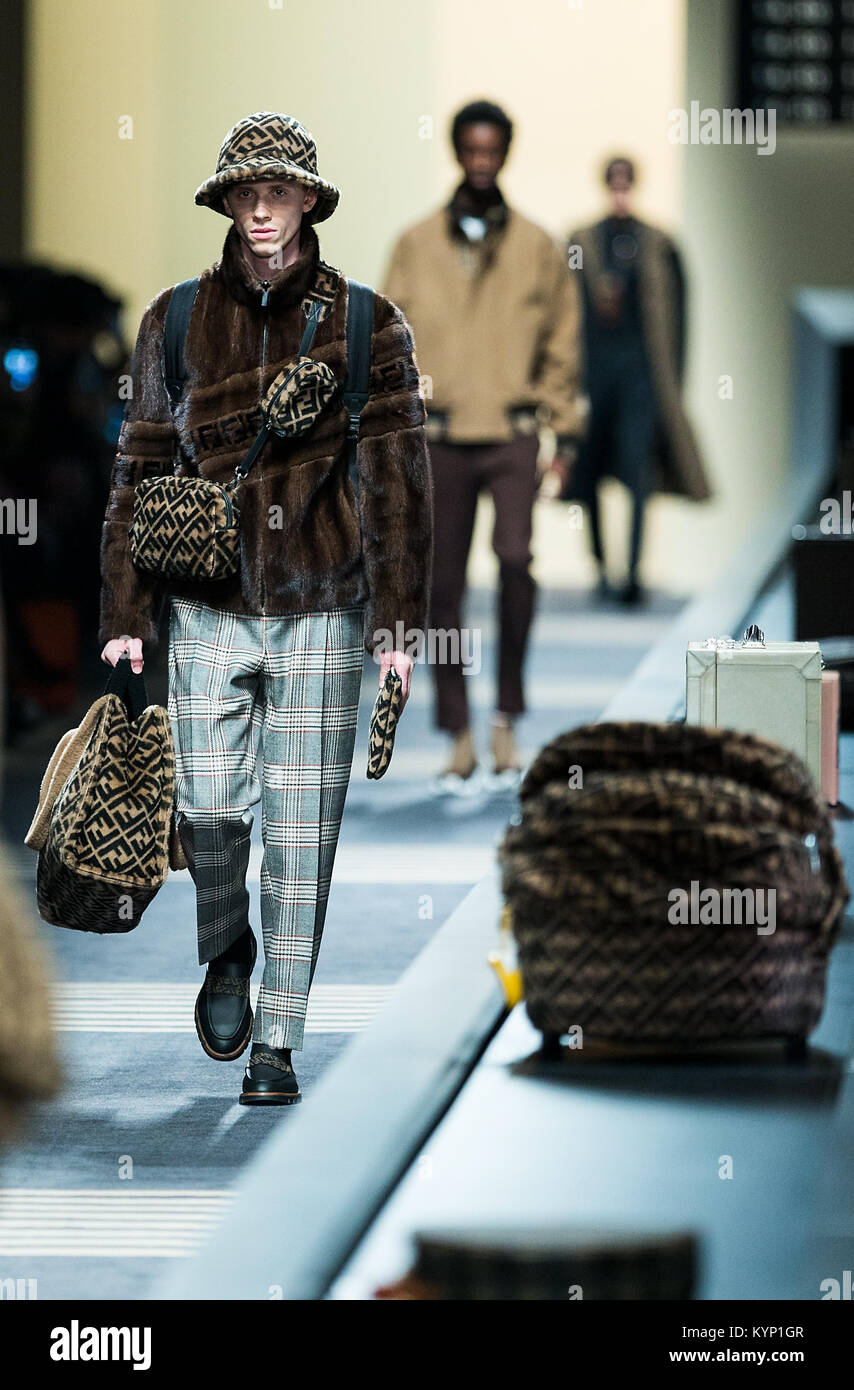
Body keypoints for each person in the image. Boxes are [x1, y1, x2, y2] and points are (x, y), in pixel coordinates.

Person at [98, 112, 433, 1105]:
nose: (259, 208)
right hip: (206, 603)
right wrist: (126, 606)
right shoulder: (172, 319)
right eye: (244, 192)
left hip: (323, 608)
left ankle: (277, 1040)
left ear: (309, 202)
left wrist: (398, 627)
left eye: (277, 191)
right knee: (208, 809)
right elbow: (141, 464)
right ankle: (226, 949)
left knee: (302, 834)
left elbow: (397, 483)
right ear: (224, 203)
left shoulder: (366, 325)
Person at [383, 100, 584, 789]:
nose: (480, 161)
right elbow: (388, 340)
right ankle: (460, 730)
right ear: (456, 151)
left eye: (491, 150)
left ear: (504, 153)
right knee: (441, 588)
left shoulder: (537, 245)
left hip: (515, 432)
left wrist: (565, 435)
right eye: (471, 149)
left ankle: (505, 716)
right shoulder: (416, 245)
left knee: (516, 561)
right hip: (438, 436)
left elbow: (563, 340)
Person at [560, 156, 710, 604]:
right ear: (606, 185)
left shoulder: (658, 243)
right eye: (614, 184)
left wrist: (674, 382)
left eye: (626, 184)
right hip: (593, 372)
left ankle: (634, 574)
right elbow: (561, 309)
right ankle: (602, 570)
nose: (620, 192)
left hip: (642, 376)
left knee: (637, 469)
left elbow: (680, 315)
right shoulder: (582, 241)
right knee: (587, 472)